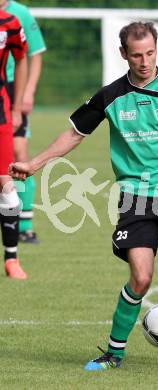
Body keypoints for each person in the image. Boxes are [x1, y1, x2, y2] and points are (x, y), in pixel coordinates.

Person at [9, 21, 158, 369]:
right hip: (137, 196)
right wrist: (35, 163)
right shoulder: (110, 96)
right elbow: (74, 134)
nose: (145, 61)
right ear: (124, 54)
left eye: (150, 52)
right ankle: (113, 353)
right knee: (141, 277)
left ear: (156, 50)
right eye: (136, 55)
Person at [0, 0, 46, 244]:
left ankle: (24, 225)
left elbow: (34, 54)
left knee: (18, 153)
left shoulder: (20, 13)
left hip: (11, 88)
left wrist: (28, 91)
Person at [0, 7, 27, 278]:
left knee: (6, 180)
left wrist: (17, 106)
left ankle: (11, 258)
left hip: (0, 105)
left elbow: (22, 60)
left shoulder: (10, 22)